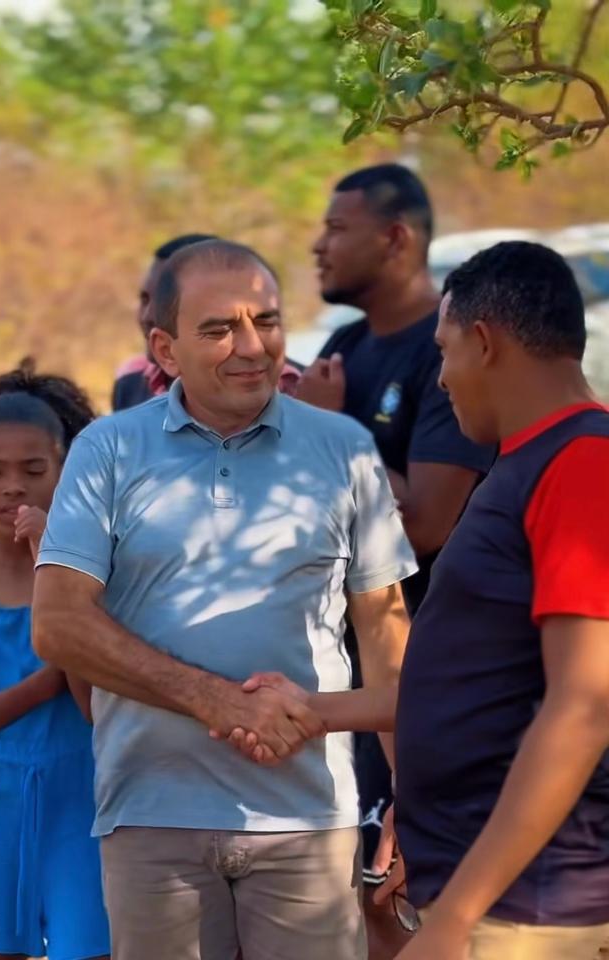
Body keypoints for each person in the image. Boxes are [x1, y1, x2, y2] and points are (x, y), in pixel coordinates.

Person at [32, 239, 416, 959]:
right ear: (165, 348)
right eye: (218, 329)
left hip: (309, 823)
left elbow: (388, 643)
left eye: (265, 322)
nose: (251, 347)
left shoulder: (344, 450)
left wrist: (418, 797)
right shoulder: (106, 451)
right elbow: (57, 625)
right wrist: (218, 701)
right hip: (151, 820)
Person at [375, 241, 609, 959]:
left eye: (443, 351)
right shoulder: (528, 462)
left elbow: (584, 703)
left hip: (529, 910)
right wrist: (310, 710)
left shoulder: (582, 464)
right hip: (484, 902)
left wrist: (457, 917)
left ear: (483, 342)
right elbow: (472, 684)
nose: (441, 378)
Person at [300, 164, 496, 948]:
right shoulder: (347, 345)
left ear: (396, 239)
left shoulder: (436, 354)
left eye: (336, 228)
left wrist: (336, 430)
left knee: (403, 898)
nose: (318, 246)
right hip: (342, 673)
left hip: (416, 674)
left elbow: (426, 523)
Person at [0, 361, 109, 960]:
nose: (12, 488)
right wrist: (49, 674)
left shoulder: (91, 580)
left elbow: (93, 707)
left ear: (66, 472)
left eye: (34, 470)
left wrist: (52, 562)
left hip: (79, 802)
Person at [113, 234, 303, 412]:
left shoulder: (307, 391)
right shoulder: (131, 388)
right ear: (163, 348)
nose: (148, 316)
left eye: (264, 322)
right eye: (145, 300)